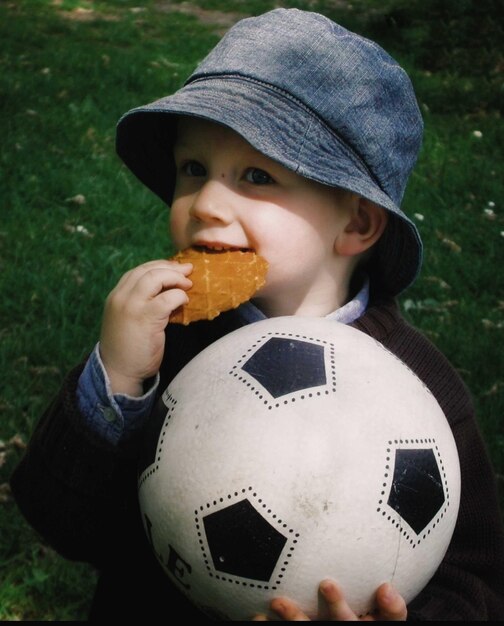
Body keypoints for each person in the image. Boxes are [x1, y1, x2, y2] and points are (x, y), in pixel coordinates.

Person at [10, 8, 504, 621]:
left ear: (356, 223)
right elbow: (61, 523)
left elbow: (476, 583)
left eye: (256, 175)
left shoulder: (422, 396)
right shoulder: (168, 348)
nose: (207, 202)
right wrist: (114, 381)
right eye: (193, 169)